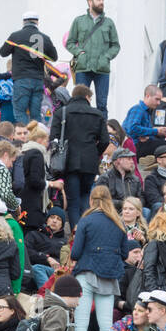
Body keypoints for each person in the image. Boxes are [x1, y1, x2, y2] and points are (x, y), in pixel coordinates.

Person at [69, 186, 129, 331]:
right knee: (106, 327)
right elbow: (125, 254)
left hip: (86, 273)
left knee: (81, 325)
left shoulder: (86, 220)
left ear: (91, 200)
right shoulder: (119, 223)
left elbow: (75, 252)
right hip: (109, 276)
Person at [48, 85, 109, 228]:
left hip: (68, 162)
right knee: (85, 197)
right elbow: (105, 140)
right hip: (90, 162)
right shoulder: (98, 114)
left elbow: (53, 138)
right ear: (88, 97)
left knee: (73, 200)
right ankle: (86, 230)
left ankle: (76, 233)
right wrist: (95, 153)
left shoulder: (61, 112)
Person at [65, 0, 120, 118]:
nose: (102, 2)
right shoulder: (79, 21)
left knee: (102, 105)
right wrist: (79, 53)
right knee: (79, 103)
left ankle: (101, 134)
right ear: (90, 2)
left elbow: (115, 46)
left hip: (102, 69)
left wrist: (106, 57)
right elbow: (70, 43)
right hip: (83, 68)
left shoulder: (109, 23)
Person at [0, 13, 58, 125]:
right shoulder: (45, 38)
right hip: (38, 80)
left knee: (20, 112)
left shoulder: (15, 36)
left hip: (21, 80)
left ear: (24, 22)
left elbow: (3, 52)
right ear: (37, 22)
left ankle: (25, 139)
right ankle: (35, 138)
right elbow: (54, 57)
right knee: (36, 114)